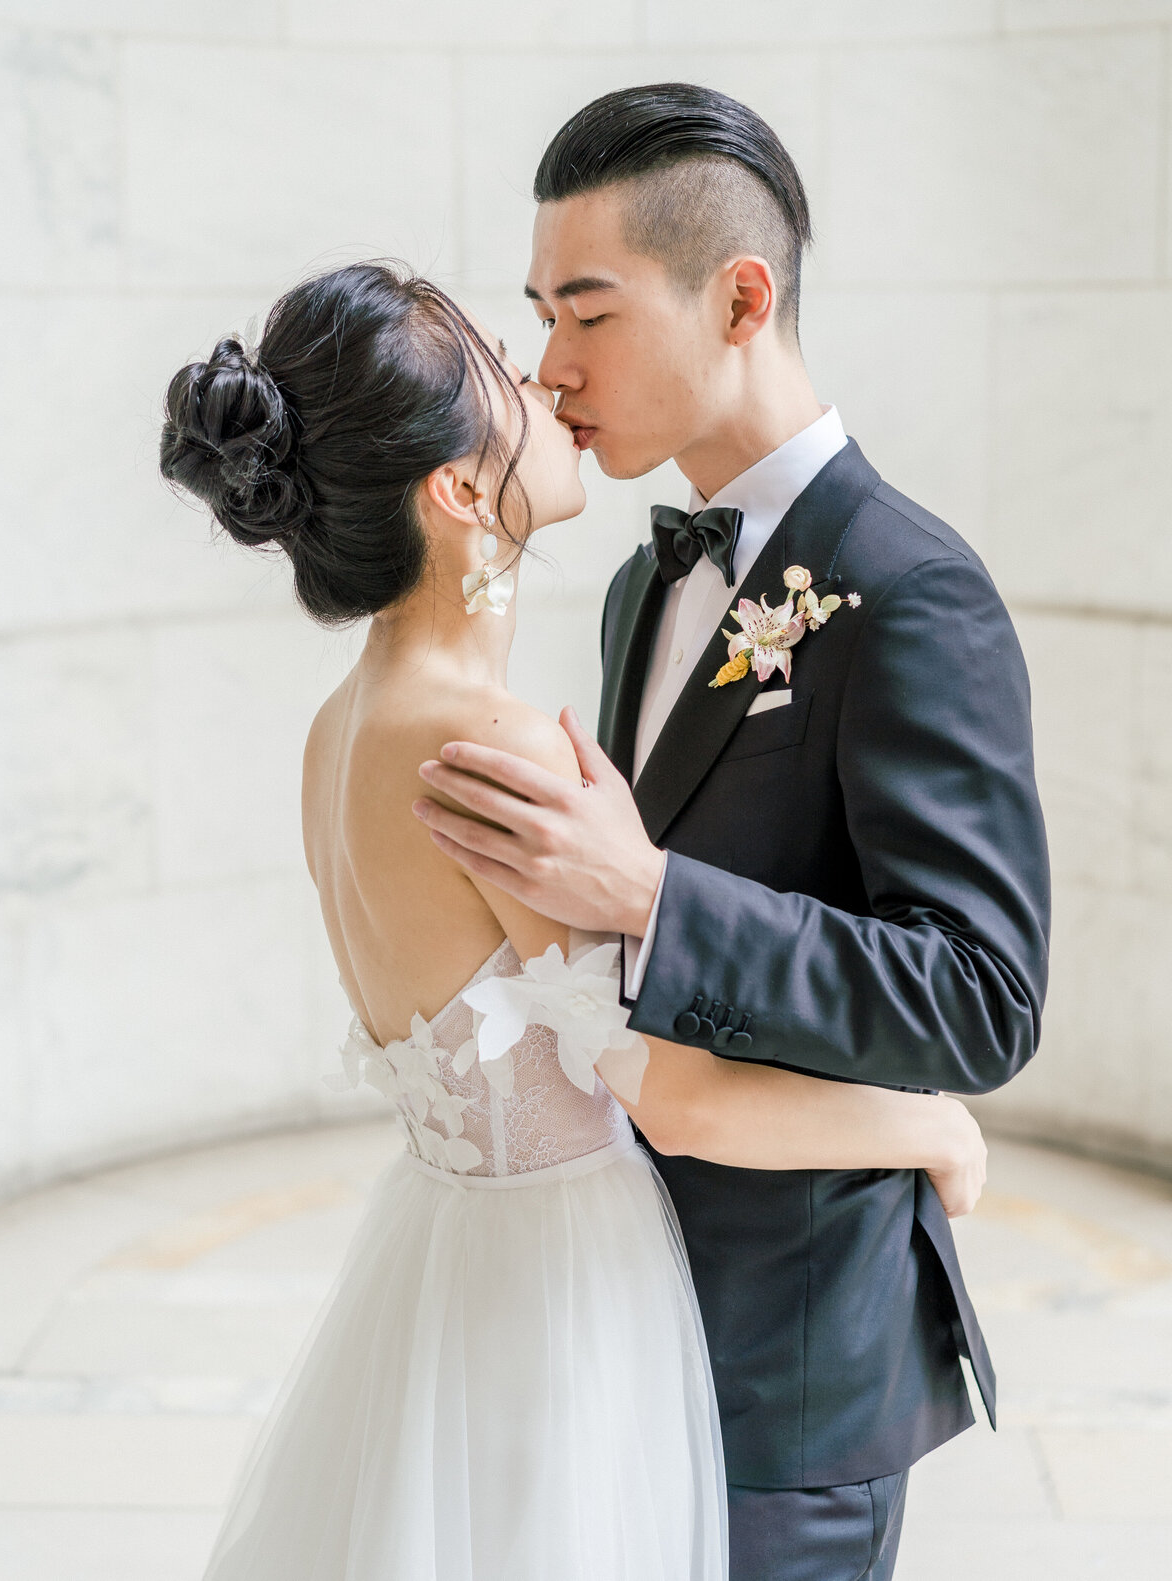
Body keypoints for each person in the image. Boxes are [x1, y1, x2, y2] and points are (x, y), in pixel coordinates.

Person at [160, 261, 989, 1581]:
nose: (544, 378)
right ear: (451, 487)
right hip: (555, 1308)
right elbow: (677, 1099)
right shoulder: (487, 747)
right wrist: (928, 1121)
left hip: (442, 1276)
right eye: (503, 359)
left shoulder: (345, 729)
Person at [415, 84, 1052, 1581]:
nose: (548, 367)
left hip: (800, 1369)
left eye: (589, 314)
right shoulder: (644, 590)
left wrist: (653, 893)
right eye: (538, 315)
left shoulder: (912, 591)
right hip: (623, 1318)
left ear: (740, 297)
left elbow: (983, 996)